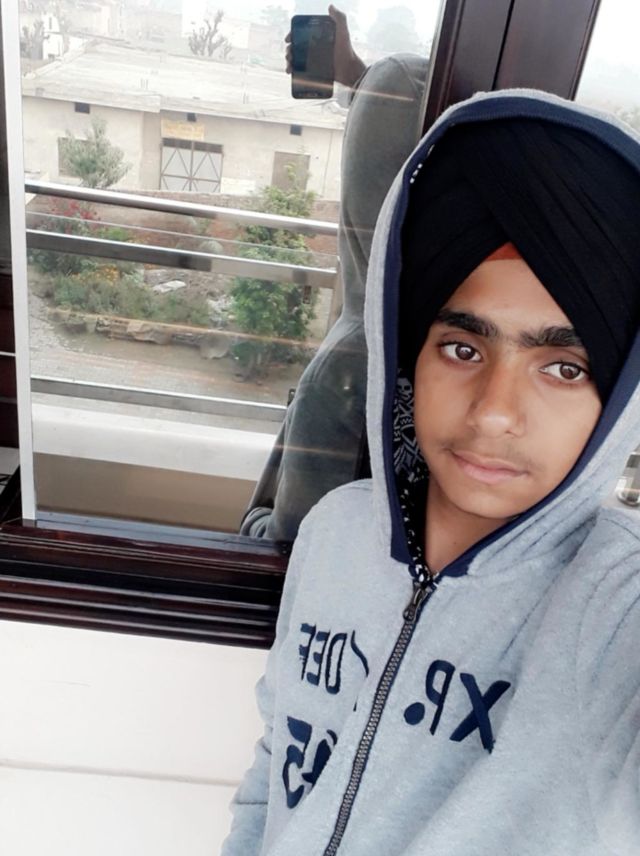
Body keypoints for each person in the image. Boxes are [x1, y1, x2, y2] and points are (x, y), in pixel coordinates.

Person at [222, 87, 640, 856]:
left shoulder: (614, 602)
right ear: (407, 356)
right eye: (462, 349)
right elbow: (275, 760)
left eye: (563, 368)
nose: (494, 413)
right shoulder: (337, 532)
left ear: (618, 403)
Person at [241, 7, 429, 541]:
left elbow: (288, 545)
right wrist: (358, 74)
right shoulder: (448, 351)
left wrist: (253, 520)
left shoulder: (350, 369)